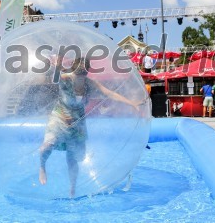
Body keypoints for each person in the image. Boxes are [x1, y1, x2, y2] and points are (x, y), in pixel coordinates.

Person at [39, 57, 144, 197]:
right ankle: (42, 167)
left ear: (87, 72)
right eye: (78, 71)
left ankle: (72, 189)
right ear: (74, 70)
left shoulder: (89, 84)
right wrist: (55, 66)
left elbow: (109, 93)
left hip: (78, 123)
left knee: (73, 157)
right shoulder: (65, 78)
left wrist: (131, 103)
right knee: (46, 146)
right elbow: (55, 76)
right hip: (59, 118)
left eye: (83, 72)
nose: (80, 75)